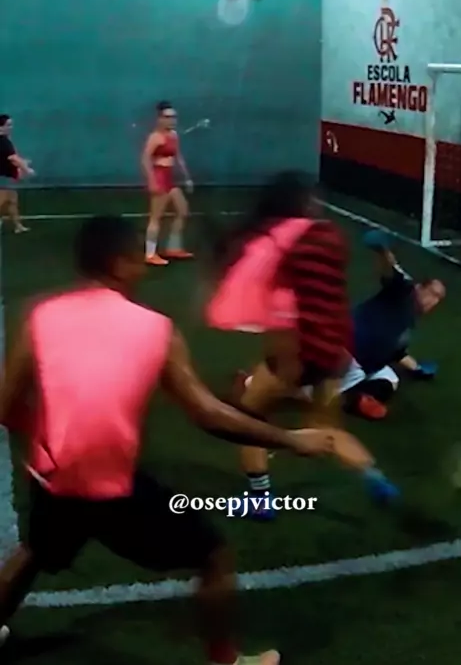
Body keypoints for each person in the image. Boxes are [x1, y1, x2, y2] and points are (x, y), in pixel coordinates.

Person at [0, 214, 352, 664]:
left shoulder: (41, 317)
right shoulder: (155, 328)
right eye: (137, 257)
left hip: (53, 477)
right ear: (119, 264)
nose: (143, 267)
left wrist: (47, 438)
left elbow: (5, 405)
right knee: (215, 556)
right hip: (112, 489)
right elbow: (207, 413)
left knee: (34, 553)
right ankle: (227, 661)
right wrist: (291, 439)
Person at [204, 172, 397, 520]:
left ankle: (260, 499)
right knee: (327, 427)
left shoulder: (279, 245)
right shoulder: (331, 238)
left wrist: (286, 368)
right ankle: (375, 478)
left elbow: (283, 307)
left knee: (248, 419)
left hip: (296, 351)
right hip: (334, 352)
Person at [339, 229, 446, 420]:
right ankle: (345, 399)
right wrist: (382, 250)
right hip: (346, 351)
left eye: (438, 299)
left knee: (390, 380)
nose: (433, 301)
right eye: (432, 293)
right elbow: (392, 271)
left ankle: (355, 398)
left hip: (363, 363)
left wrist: (417, 368)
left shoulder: (408, 319)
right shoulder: (404, 291)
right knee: (312, 392)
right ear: (419, 287)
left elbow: (396, 351)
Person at [142, 101, 193, 265]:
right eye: (167, 117)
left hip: (170, 178)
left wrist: (187, 177)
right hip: (159, 177)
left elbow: (178, 157)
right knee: (156, 217)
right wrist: (152, 181)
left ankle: (173, 248)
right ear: (160, 119)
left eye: (173, 117)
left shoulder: (174, 135)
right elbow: (145, 159)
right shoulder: (155, 137)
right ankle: (150, 254)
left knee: (183, 211)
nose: (172, 120)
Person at [0, 114, 34, 234]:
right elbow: (13, 158)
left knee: (12, 201)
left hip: (7, 176)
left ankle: (18, 226)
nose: (11, 127)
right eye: (8, 125)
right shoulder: (3, 141)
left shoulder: (4, 141)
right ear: (1, 127)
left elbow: (9, 158)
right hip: (3, 178)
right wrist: (26, 169)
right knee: (3, 202)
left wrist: (23, 162)